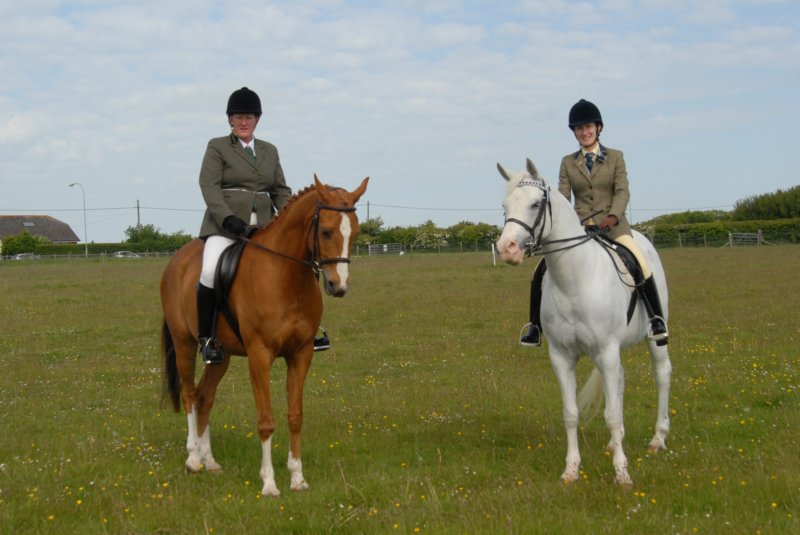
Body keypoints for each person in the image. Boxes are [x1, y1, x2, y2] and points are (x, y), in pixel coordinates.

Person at [196, 87, 330, 365]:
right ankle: (208, 338)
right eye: (238, 117)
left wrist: (292, 215)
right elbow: (209, 186)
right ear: (230, 120)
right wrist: (226, 217)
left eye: (249, 117)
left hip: (267, 227)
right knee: (209, 271)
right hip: (226, 225)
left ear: (257, 119)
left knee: (304, 264)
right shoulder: (218, 146)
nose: (243, 122)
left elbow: (280, 190)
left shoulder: (270, 151)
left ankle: (309, 329)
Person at [520, 98, 668, 347]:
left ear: (598, 127)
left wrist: (613, 216)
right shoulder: (568, 162)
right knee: (540, 271)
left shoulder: (616, 158)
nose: (584, 132)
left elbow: (622, 192)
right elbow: (563, 198)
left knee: (640, 261)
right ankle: (535, 326)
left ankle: (655, 319)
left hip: (614, 227)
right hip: (581, 230)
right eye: (579, 128)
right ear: (574, 132)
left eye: (588, 127)